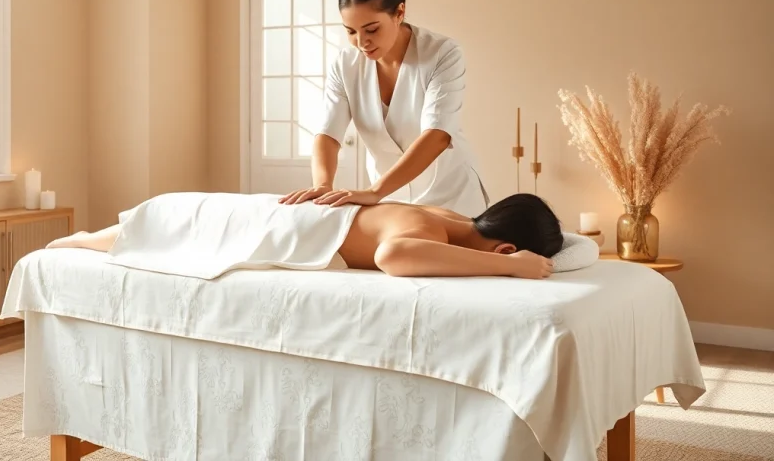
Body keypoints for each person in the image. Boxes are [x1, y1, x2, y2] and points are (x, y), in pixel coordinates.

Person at [279, 0, 488, 217]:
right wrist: (323, 185)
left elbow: (437, 135)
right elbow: (328, 133)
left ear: (399, 12)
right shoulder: (345, 64)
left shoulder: (441, 52)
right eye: (351, 31)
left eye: (372, 29)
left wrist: (375, 192)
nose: (361, 42)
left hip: (450, 195)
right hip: (390, 201)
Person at [48, 193, 563, 279]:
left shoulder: (447, 216)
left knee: (166, 226)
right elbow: (393, 256)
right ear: (505, 245)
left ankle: (92, 237)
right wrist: (511, 267)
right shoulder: (427, 228)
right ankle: (77, 243)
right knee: (170, 229)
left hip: (282, 216)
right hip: (274, 223)